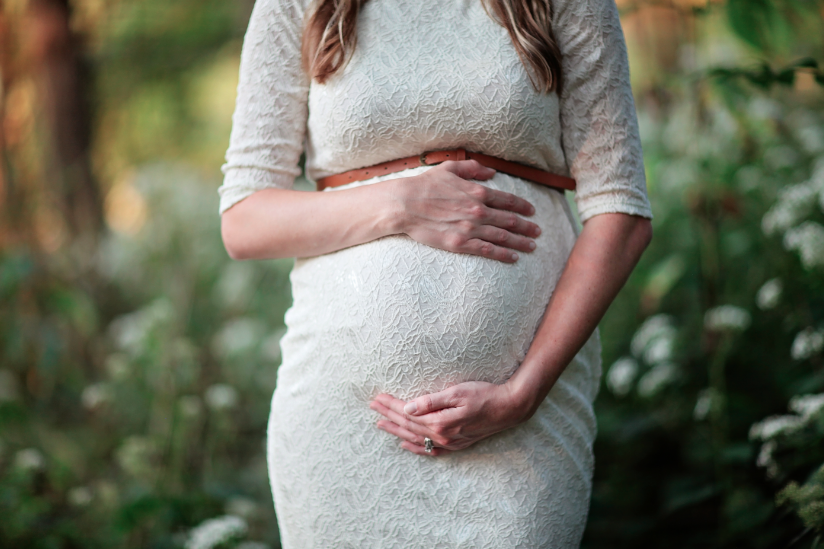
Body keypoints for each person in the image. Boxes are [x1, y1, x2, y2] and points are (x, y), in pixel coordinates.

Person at [217, 0, 653, 545]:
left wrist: (521, 394)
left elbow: (622, 211)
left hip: (523, 426)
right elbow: (244, 220)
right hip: (341, 424)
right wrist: (400, 203)